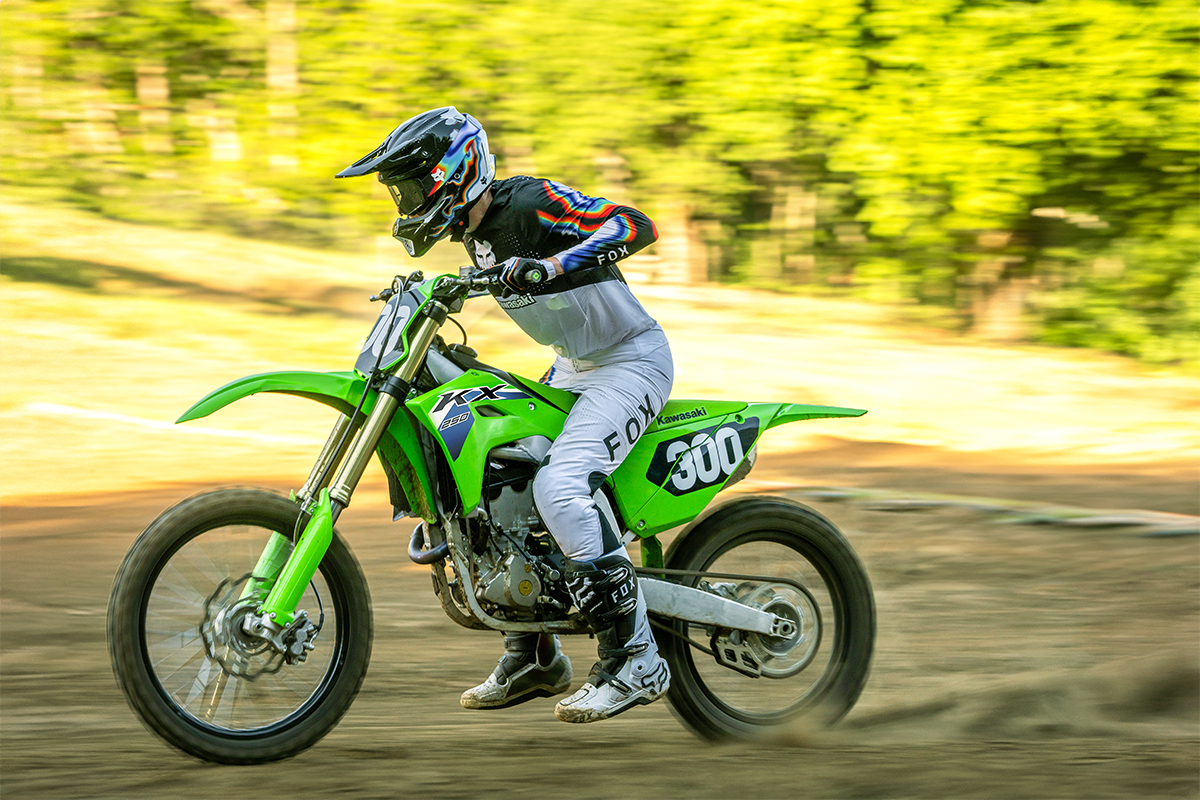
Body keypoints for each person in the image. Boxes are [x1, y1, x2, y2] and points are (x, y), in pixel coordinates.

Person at [336, 107, 672, 723]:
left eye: (411, 188)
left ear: (451, 174)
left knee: (561, 488)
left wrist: (549, 264)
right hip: (573, 371)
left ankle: (636, 658)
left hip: (630, 363)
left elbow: (633, 223)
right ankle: (535, 654)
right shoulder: (475, 236)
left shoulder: (530, 202)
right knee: (500, 484)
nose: (405, 202)